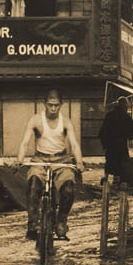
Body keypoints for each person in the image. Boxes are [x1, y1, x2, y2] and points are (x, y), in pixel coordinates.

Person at [17, 89, 84, 242]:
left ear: (61, 105)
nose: (53, 109)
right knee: (33, 186)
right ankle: (33, 224)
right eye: (50, 105)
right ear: (44, 103)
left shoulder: (65, 122)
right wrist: (19, 159)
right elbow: (24, 142)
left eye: (56, 105)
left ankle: (61, 221)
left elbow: (74, 144)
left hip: (61, 161)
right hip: (40, 160)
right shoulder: (35, 120)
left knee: (68, 188)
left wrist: (79, 162)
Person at [99, 96, 133, 184]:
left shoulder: (109, 115)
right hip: (121, 145)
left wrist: (104, 144)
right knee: (121, 163)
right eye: (126, 106)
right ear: (124, 106)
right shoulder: (126, 117)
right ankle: (117, 180)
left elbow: (102, 132)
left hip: (110, 145)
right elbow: (130, 135)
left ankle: (106, 177)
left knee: (109, 161)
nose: (127, 108)